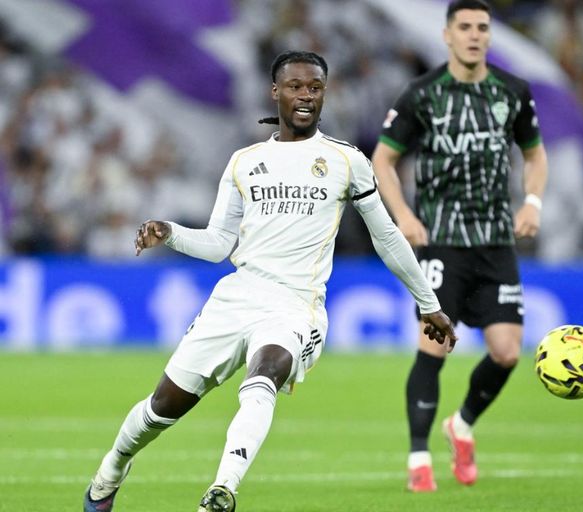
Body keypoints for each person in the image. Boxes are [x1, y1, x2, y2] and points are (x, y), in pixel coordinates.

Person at [83, 50, 457, 512]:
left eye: (315, 88)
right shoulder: (245, 161)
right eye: (296, 87)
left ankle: (223, 489)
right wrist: (171, 233)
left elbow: (387, 236)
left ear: (324, 94)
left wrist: (428, 302)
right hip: (238, 296)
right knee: (162, 409)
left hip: (297, 305)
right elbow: (219, 244)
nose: (306, 96)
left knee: (266, 373)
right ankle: (112, 468)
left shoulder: (346, 161)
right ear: (275, 92)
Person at [371, 0, 548, 493]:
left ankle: (462, 424)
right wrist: (404, 216)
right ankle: (419, 458)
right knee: (434, 347)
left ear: (489, 35)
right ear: (447, 35)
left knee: (507, 353)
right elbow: (382, 159)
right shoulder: (422, 94)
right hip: (441, 243)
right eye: (464, 27)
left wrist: (533, 202)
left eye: (482, 27)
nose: (474, 35)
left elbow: (535, 154)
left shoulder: (512, 92)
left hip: (495, 243)